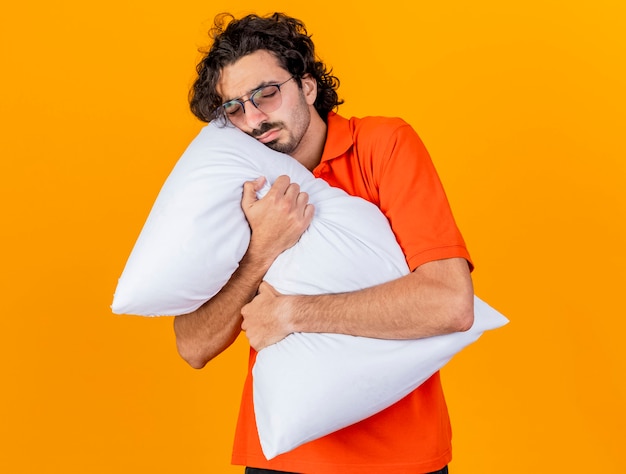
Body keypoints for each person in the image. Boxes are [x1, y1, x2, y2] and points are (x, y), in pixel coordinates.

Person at [174, 12, 474, 474]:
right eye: (235, 108)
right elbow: (193, 345)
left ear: (308, 87)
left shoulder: (385, 145)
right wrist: (261, 251)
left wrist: (293, 313)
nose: (254, 118)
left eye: (266, 94)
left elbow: (451, 304)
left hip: (400, 456)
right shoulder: (238, 185)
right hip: (281, 454)